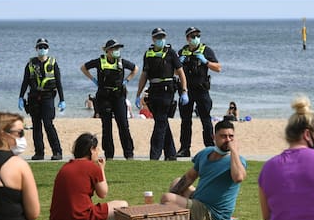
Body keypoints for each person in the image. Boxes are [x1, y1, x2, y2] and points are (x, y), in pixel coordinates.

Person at [161, 120, 247, 220]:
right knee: (177, 182)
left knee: (167, 198)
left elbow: (238, 178)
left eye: (231, 136)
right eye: (223, 136)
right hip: (199, 201)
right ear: (214, 137)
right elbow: (190, 176)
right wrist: (175, 194)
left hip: (213, 213)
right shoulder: (206, 153)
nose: (228, 140)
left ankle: (174, 214)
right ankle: (175, 213)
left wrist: (234, 151)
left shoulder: (237, 160)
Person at [49, 133, 129, 220]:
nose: (98, 152)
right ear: (91, 150)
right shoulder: (91, 167)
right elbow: (103, 193)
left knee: (112, 217)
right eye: (96, 149)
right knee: (123, 205)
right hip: (81, 218)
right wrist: (101, 169)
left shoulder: (65, 167)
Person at [135, 27, 189, 160]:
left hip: (167, 90)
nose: (161, 40)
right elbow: (144, 74)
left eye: (163, 37)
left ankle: (155, 155)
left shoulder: (171, 53)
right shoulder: (148, 54)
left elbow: (181, 73)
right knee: (162, 121)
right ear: (153, 39)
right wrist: (138, 93)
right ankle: (171, 155)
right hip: (153, 90)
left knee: (160, 123)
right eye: (158, 38)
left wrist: (184, 91)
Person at [81, 39, 138, 160]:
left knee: (123, 124)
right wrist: (93, 80)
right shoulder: (99, 61)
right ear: (108, 51)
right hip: (104, 97)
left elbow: (135, 69)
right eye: (114, 49)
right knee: (106, 126)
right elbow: (84, 68)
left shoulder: (121, 62)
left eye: (118, 49)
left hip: (118, 96)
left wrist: (126, 80)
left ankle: (129, 154)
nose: (117, 51)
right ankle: (109, 154)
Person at [176, 27, 221, 158]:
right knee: (185, 121)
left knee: (206, 120)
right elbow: (174, 71)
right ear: (187, 38)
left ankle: (209, 148)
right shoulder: (182, 52)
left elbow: (218, 68)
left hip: (202, 90)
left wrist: (205, 61)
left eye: (197, 36)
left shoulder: (206, 50)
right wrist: (179, 64)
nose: (195, 38)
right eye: (193, 36)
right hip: (186, 91)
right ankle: (184, 148)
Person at [18, 38, 65, 161]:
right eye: (40, 47)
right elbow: (25, 81)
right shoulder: (30, 64)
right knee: (36, 126)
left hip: (48, 97)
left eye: (44, 47)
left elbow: (59, 82)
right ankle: (39, 152)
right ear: (36, 49)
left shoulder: (53, 63)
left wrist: (62, 99)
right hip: (34, 98)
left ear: (48, 49)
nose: (42, 49)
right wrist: (21, 97)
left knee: (48, 124)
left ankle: (57, 151)